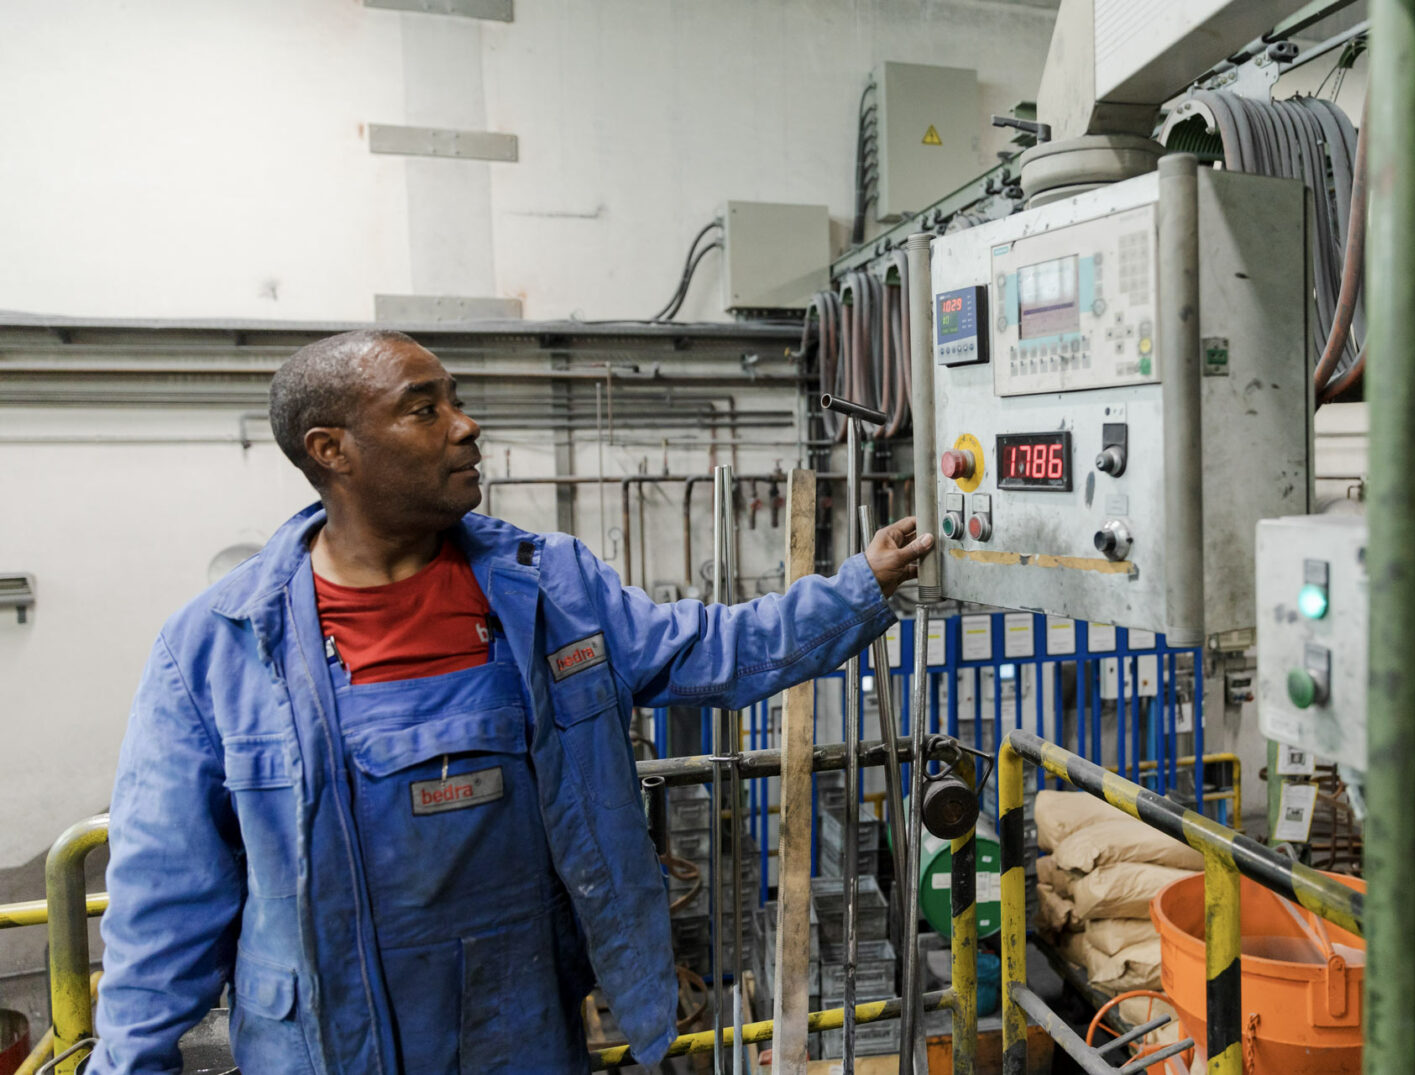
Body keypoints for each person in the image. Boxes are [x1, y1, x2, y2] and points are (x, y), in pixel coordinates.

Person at [88, 329, 933, 1074]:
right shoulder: (217, 649)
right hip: (331, 1039)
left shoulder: (547, 585)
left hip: (519, 1020)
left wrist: (860, 586)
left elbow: (708, 647)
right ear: (332, 449)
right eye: (425, 409)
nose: (466, 425)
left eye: (456, 400)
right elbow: (166, 899)